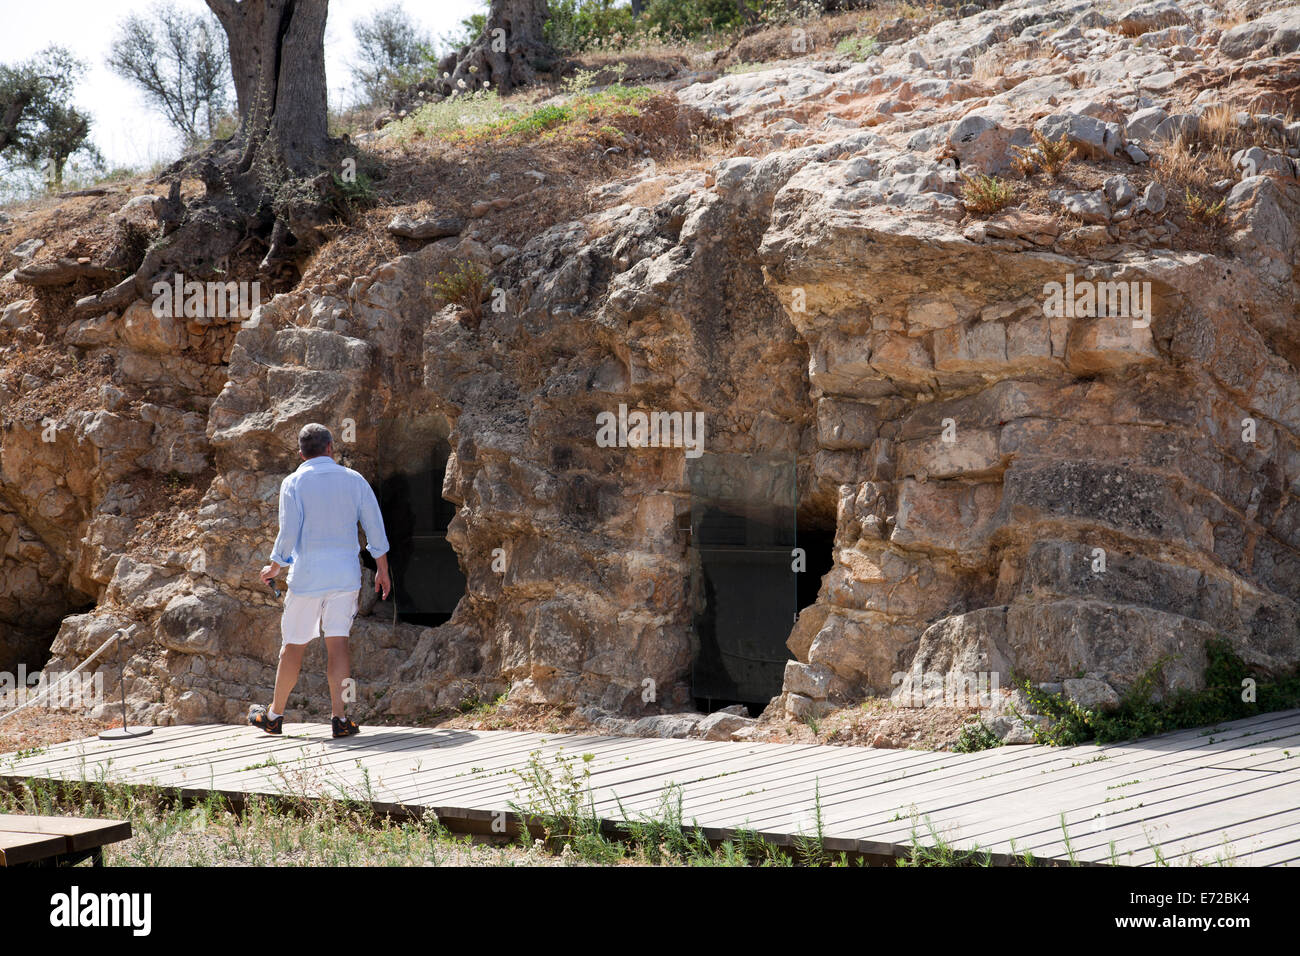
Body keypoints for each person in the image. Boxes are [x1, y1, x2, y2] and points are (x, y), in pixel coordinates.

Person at [248, 423, 391, 738]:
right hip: (345, 576)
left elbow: (289, 531)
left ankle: (274, 715)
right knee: (338, 642)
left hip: (309, 576)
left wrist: (275, 567)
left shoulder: (294, 482)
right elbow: (374, 525)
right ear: (330, 448)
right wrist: (382, 567)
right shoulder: (354, 480)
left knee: (293, 647)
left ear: (300, 453)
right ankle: (339, 719)